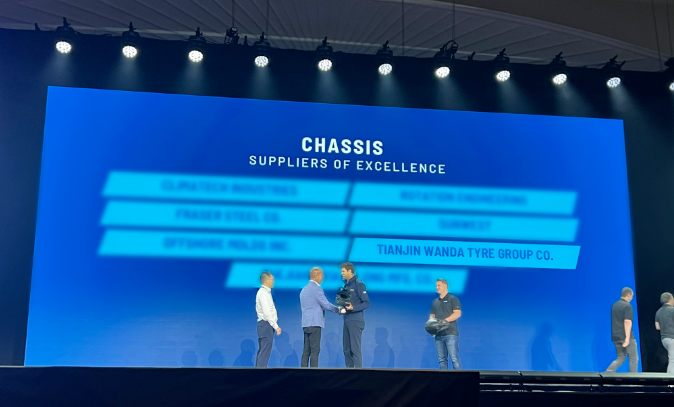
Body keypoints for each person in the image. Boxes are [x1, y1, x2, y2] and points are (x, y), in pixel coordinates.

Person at [299, 267, 341, 367]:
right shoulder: (317, 289)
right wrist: (338, 310)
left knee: (306, 350)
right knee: (315, 350)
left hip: (306, 324)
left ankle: (302, 372)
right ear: (316, 276)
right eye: (321, 275)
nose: (322, 277)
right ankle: (314, 373)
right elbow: (326, 305)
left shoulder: (303, 290)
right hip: (315, 323)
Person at [340, 262, 370, 368]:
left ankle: (358, 373)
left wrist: (354, 308)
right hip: (347, 320)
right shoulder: (345, 286)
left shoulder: (359, 284)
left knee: (355, 350)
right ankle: (349, 373)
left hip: (356, 320)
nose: (342, 273)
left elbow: (366, 303)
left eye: (343, 271)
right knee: (347, 350)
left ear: (350, 271)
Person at [430, 279, 462, 370]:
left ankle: (459, 377)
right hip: (438, 334)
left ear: (445, 286)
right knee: (442, 360)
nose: (437, 287)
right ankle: (444, 379)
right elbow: (432, 315)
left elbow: (457, 313)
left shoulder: (453, 299)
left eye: (439, 285)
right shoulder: (435, 302)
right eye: (436, 286)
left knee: (454, 358)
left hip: (450, 333)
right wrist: (431, 324)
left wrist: (445, 321)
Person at [605, 287, 638, 373]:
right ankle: (633, 379)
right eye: (632, 296)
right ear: (628, 295)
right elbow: (627, 322)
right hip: (625, 336)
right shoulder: (628, 306)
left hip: (616, 337)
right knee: (633, 359)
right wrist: (627, 338)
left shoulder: (614, 305)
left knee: (620, 358)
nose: (631, 298)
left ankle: (607, 373)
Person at [255, 271, 281, 367]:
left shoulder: (266, 293)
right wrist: (275, 326)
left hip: (266, 325)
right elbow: (267, 312)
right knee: (265, 351)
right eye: (272, 279)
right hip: (266, 325)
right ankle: (260, 372)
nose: (273, 281)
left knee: (264, 350)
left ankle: (259, 371)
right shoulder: (263, 293)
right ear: (266, 280)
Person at [655, 292, 674, 374]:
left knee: (672, 359)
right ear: (670, 300)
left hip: (664, 339)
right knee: (672, 360)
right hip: (672, 337)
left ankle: (669, 378)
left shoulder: (658, 312)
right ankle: (671, 379)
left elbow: (657, 327)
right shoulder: (672, 310)